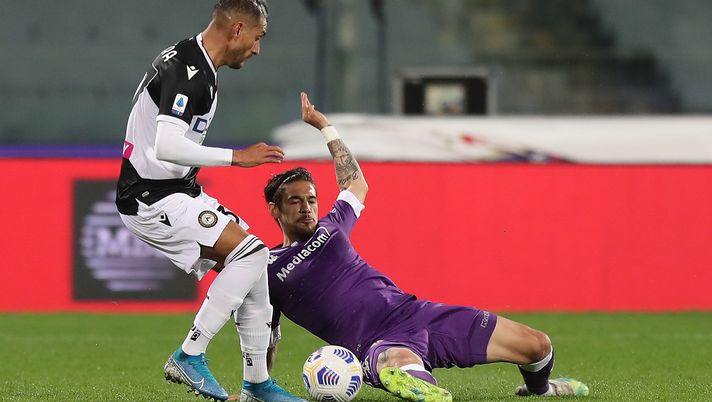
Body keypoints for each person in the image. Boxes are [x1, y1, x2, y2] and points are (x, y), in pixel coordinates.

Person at [260, 93, 590, 401]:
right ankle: (417, 385)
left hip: (419, 314)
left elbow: (356, 183)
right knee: (398, 361)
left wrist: (325, 127)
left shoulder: (332, 227)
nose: (306, 207)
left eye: (311, 199)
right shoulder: (268, 268)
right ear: (275, 210)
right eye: (295, 201)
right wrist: (258, 386)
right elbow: (265, 335)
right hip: (375, 341)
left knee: (537, 345)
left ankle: (541, 389)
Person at [115, 1, 306, 401]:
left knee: (255, 266)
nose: (257, 49)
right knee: (252, 254)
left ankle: (257, 384)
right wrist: (237, 157)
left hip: (176, 189)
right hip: (150, 197)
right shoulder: (190, 72)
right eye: (258, 37)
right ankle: (189, 354)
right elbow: (167, 145)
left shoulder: (197, 62)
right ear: (237, 29)